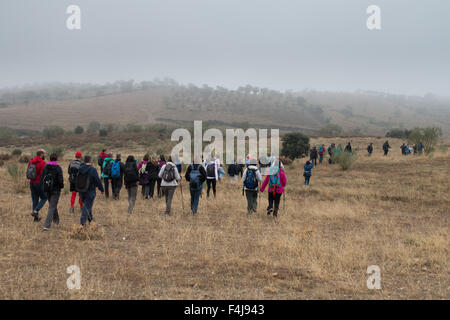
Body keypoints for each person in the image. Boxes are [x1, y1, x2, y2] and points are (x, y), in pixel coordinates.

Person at [77, 156, 104, 226]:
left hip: (81, 190)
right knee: (86, 207)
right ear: (90, 161)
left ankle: (91, 221)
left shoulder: (80, 168)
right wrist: (101, 189)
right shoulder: (92, 169)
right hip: (90, 191)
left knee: (87, 206)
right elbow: (97, 180)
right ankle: (82, 223)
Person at [41, 153, 64, 231]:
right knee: (52, 206)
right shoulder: (58, 168)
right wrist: (61, 186)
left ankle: (56, 221)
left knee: (52, 205)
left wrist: (43, 187)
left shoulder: (46, 167)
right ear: (56, 159)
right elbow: (60, 179)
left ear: (50, 159)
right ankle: (47, 225)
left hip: (47, 189)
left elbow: (42, 178)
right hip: (56, 190)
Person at [27, 149, 47, 222]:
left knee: (35, 200)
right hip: (39, 183)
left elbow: (28, 170)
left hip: (31, 182)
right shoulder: (43, 163)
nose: (45, 155)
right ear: (41, 154)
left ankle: (36, 218)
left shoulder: (31, 161)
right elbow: (43, 175)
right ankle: (35, 211)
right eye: (45, 154)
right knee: (44, 197)